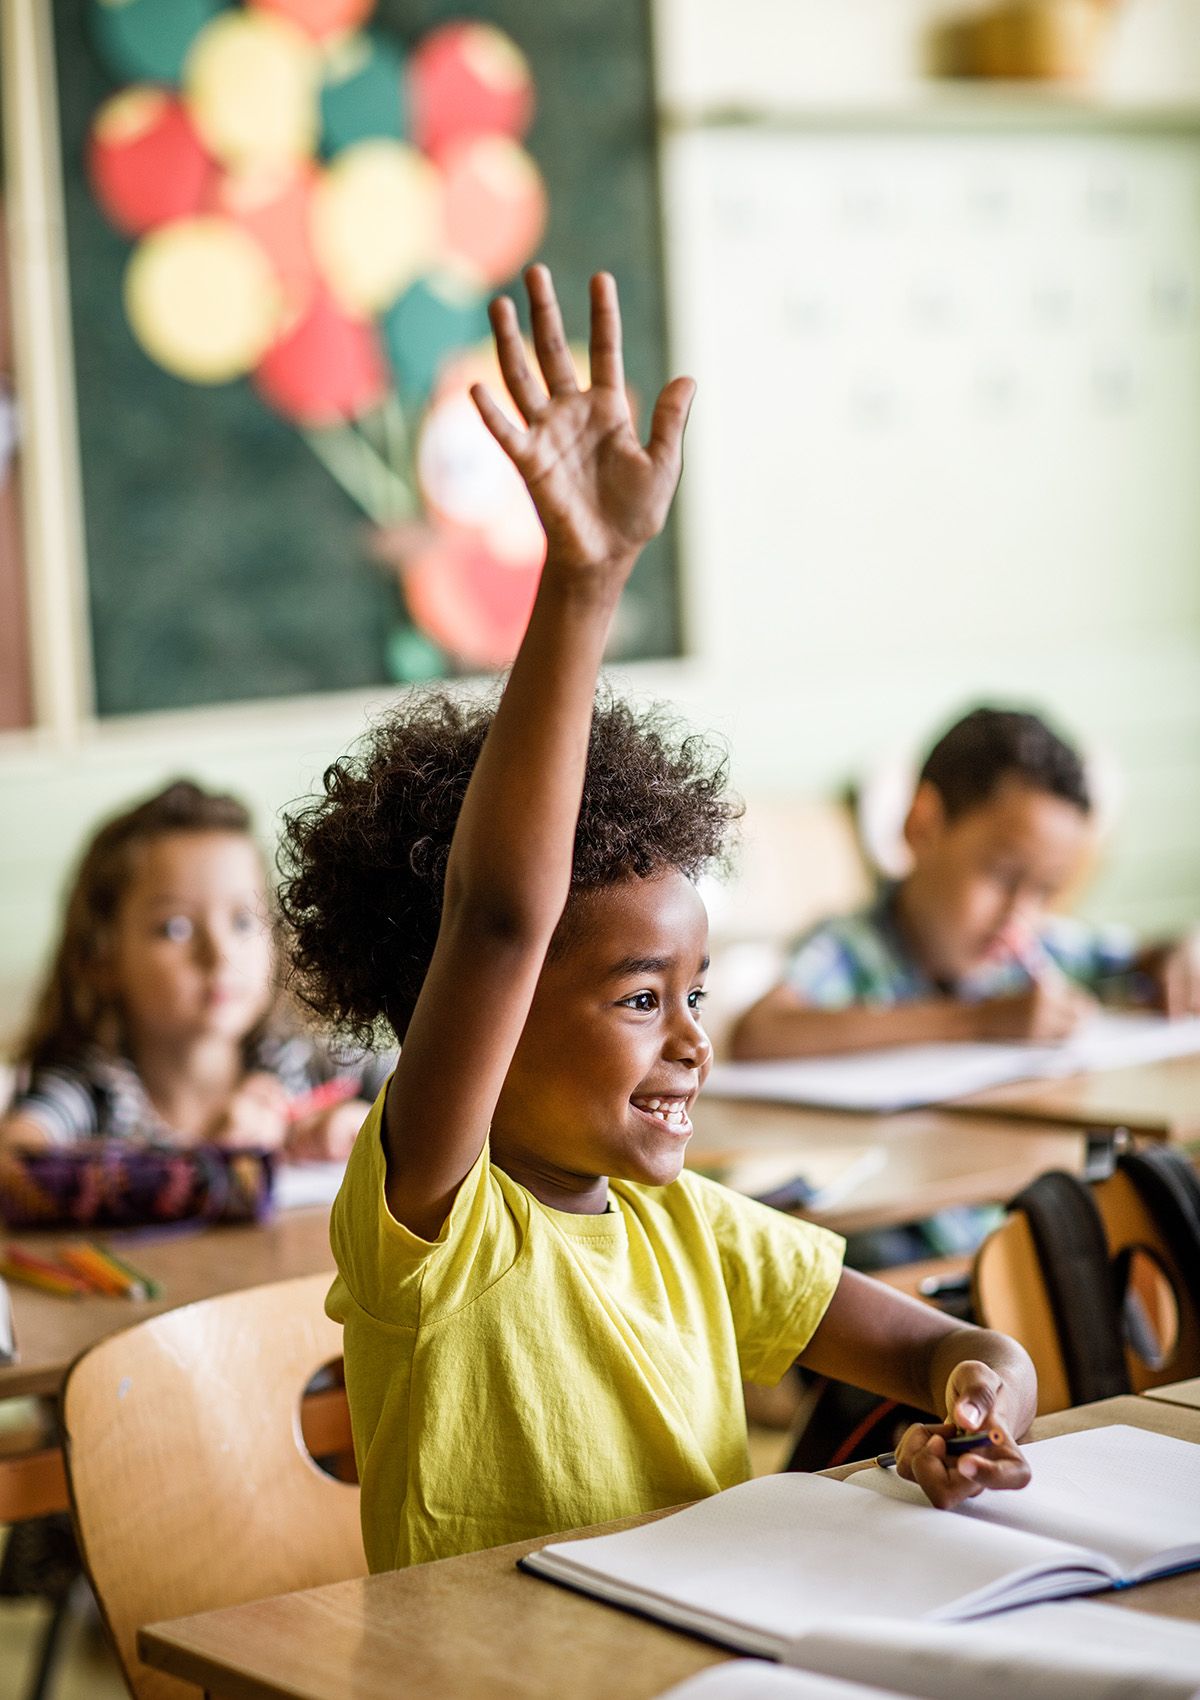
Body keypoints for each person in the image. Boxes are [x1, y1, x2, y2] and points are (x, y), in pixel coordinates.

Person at [279, 265, 1036, 1574]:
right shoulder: (437, 1228)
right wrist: (584, 579)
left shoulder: (694, 1231)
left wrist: (979, 1402)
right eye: (641, 998)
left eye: (692, 993)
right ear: (487, 1017)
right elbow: (501, 918)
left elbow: (955, 1348)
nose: (692, 1041)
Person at [732, 706, 1200, 1061]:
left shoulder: (1034, 953)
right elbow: (761, 1032)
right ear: (923, 826)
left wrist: (1174, 958)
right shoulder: (852, 949)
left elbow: (1143, 959)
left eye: (1045, 889)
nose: (1020, 914)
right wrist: (980, 1021)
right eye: (1002, 875)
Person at [0, 779, 387, 1158]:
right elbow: (12, 1161)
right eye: (175, 928)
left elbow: (432, 1093)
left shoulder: (312, 1066)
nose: (219, 956)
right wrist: (202, 1163)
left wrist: (367, 1124)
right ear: (100, 958)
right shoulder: (90, 1092)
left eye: (243, 921)